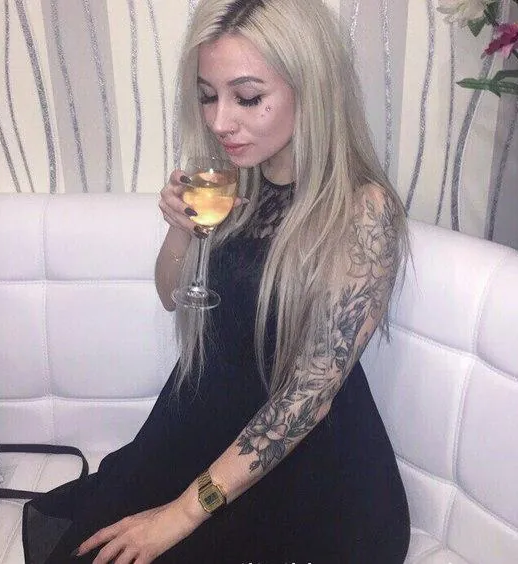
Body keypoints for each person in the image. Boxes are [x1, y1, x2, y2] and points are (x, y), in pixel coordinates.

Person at [22, 0, 411, 562]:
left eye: (247, 97)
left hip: (304, 464)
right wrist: (180, 232)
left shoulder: (361, 211)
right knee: (97, 541)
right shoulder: (234, 179)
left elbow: (307, 399)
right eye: (208, 95)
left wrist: (181, 512)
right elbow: (171, 297)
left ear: (313, 89)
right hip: (205, 420)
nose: (220, 121)